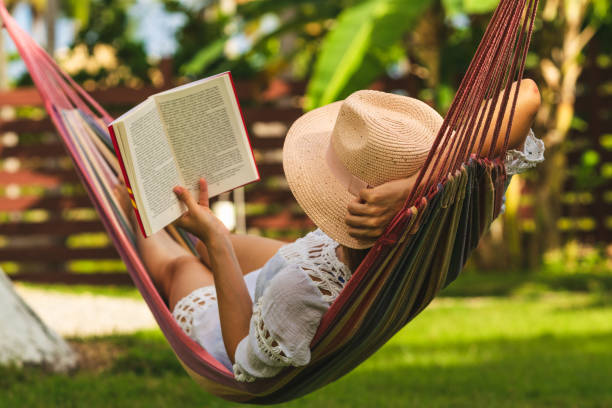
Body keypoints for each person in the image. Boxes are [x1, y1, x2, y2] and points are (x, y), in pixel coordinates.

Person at [115, 79, 544, 382]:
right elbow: (527, 93)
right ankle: (195, 228)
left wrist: (214, 240)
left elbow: (242, 356)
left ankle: (130, 204)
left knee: (182, 266)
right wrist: (418, 185)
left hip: (252, 311)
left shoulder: (298, 294)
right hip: (311, 258)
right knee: (211, 245)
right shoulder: (455, 207)